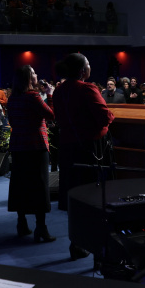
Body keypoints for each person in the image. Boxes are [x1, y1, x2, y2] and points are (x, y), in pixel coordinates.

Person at [48, 53, 113, 260]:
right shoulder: (87, 88)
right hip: (89, 148)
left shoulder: (59, 90)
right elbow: (105, 116)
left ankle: (77, 242)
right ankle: (93, 242)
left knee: (75, 196)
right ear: (83, 70)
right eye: (89, 64)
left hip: (67, 148)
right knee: (92, 196)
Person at [6, 65, 56, 242]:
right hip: (35, 146)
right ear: (28, 78)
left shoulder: (12, 98)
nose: (36, 74)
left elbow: (13, 121)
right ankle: (41, 228)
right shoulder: (33, 97)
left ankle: (22, 224)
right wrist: (50, 94)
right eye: (34, 73)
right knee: (39, 187)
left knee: (20, 185)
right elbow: (51, 115)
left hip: (18, 146)